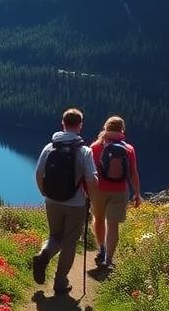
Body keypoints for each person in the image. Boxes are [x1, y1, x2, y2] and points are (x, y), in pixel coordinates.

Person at [33, 107, 97, 294]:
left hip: (52, 201)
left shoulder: (50, 146)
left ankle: (44, 254)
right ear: (80, 126)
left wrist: (45, 192)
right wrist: (91, 199)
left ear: (63, 124)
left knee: (55, 236)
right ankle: (60, 282)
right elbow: (92, 180)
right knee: (69, 241)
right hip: (75, 203)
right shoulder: (84, 151)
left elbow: (38, 173)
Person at [89, 115, 142, 273]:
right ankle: (109, 260)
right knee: (113, 225)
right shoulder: (128, 149)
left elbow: (90, 172)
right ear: (122, 130)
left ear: (106, 128)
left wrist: (86, 190)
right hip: (120, 191)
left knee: (98, 219)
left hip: (99, 190)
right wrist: (137, 194)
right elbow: (133, 173)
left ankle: (102, 248)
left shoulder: (95, 147)